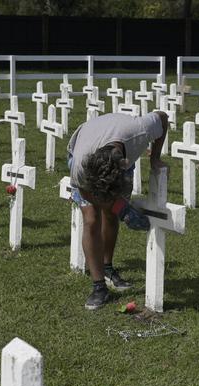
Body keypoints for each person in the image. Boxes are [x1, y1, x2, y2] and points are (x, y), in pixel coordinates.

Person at [67, 110, 169, 310]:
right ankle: (99, 287)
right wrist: (121, 207)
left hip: (120, 150)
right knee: (91, 218)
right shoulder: (80, 165)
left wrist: (154, 157)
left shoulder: (141, 130)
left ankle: (107, 268)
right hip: (84, 151)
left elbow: (163, 117)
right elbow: (85, 192)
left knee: (111, 214)